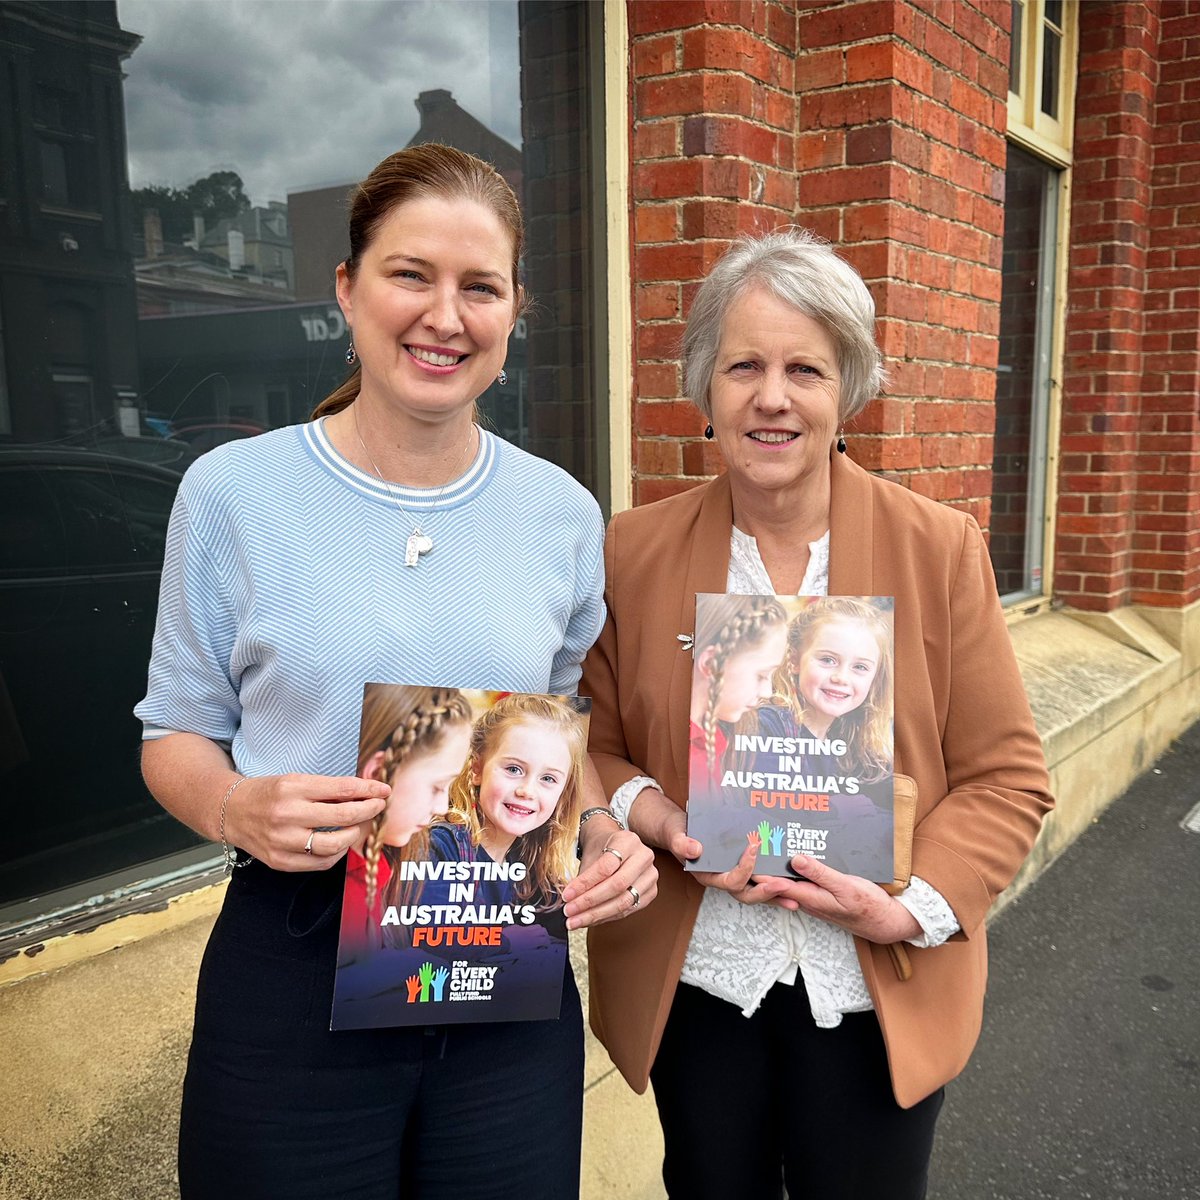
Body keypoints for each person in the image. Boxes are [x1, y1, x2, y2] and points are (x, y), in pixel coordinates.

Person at [136, 142, 656, 1200]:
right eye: (410, 275)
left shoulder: (560, 512)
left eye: (480, 287)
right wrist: (237, 805)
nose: (444, 316)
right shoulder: (234, 493)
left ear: (515, 312)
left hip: (504, 957)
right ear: (346, 288)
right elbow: (172, 734)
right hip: (294, 959)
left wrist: (602, 830)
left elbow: (564, 724)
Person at [578, 227, 1053, 1199]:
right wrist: (657, 817)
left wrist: (908, 909)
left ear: (849, 392)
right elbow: (594, 741)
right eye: (743, 364)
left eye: (806, 367)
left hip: (875, 992)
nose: (772, 396)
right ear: (706, 388)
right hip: (704, 982)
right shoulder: (633, 550)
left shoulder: (940, 549)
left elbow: (1008, 778)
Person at [338, 684, 473, 954]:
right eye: (437, 787)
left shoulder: (382, 864)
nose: (442, 806)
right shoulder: (348, 894)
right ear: (377, 773)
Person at [689, 594, 788, 791]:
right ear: (710, 663)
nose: (768, 692)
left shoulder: (715, 739)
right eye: (762, 675)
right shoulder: (691, 751)